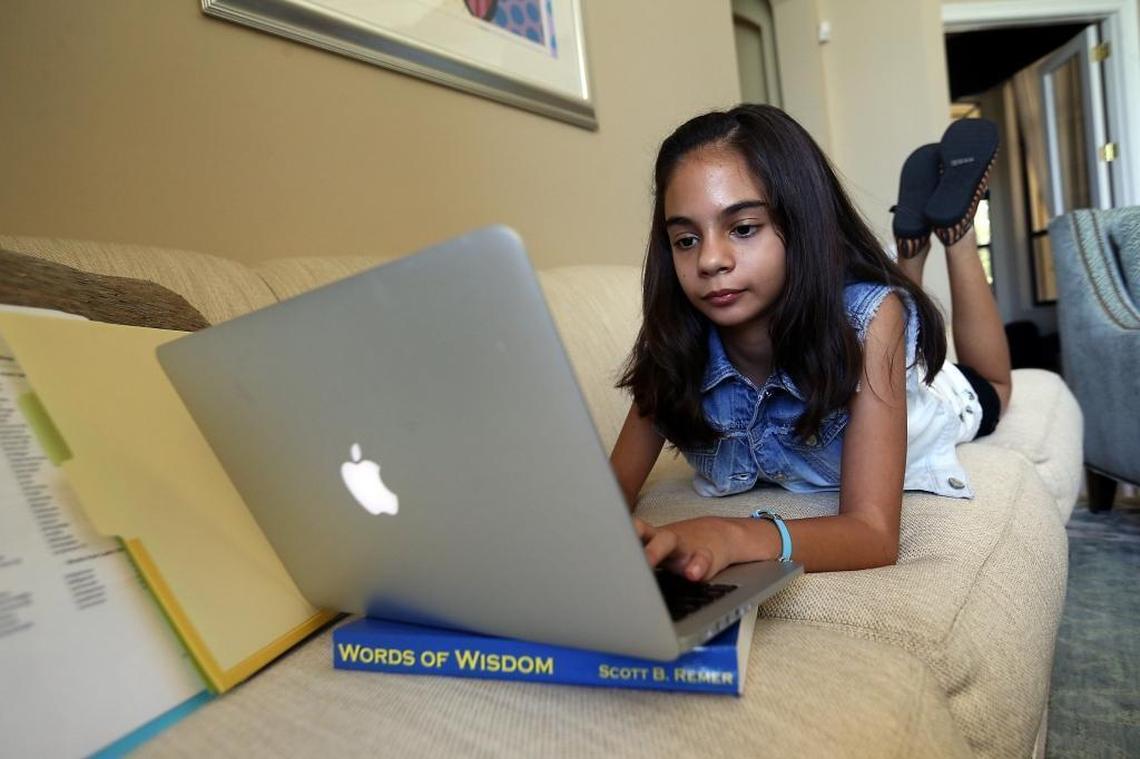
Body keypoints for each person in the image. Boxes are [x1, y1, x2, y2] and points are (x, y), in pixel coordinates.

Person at [609, 104, 1011, 578]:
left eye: (742, 229)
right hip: (869, 338)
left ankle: (954, 232)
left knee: (993, 385)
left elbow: (873, 534)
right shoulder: (674, 337)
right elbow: (608, 499)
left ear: (801, 225)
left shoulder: (869, 322)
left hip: (916, 389)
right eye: (686, 240)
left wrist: (735, 534)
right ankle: (909, 253)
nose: (710, 261)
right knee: (890, 306)